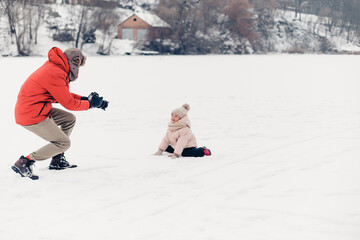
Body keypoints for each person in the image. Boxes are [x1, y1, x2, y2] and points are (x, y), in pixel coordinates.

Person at [12, 47, 108, 180]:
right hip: (31, 115)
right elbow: (69, 103)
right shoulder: (55, 72)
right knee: (63, 143)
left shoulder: (56, 68)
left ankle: (57, 159)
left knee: (69, 119)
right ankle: (25, 161)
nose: (77, 70)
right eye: (77, 66)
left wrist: (86, 100)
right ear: (73, 63)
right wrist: (91, 104)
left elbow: (62, 95)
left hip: (36, 109)